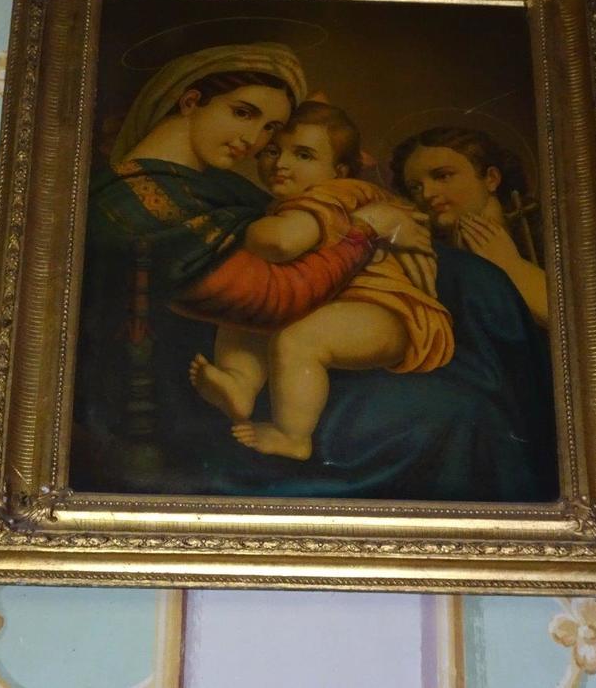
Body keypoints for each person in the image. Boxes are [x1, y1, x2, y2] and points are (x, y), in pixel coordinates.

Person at [74, 44, 558, 502]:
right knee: (462, 412)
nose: (255, 142)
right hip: (204, 384)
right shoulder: (131, 201)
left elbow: (299, 241)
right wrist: (368, 230)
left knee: (479, 346)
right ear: (190, 101)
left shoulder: (224, 186)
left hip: (349, 326)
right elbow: (269, 294)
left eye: (269, 128)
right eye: (244, 113)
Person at [189, 102, 454, 460]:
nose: (281, 164)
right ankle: (239, 381)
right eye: (272, 151)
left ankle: (293, 436)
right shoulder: (299, 200)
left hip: (387, 313)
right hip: (326, 305)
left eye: (303, 155)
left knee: (298, 338)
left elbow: (279, 242)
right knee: (250, 303)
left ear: (338, 170)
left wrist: (243, 231)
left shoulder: (334, 195)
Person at [390, 127, 549, 326]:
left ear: (491, 178)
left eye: (443, 176)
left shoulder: (543, 232)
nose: (427, 194)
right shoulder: (429, 256)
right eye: (415, 187)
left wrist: (511, 265)